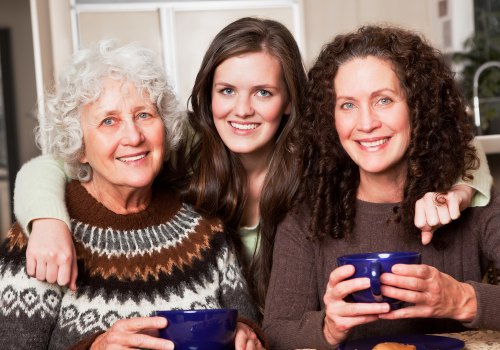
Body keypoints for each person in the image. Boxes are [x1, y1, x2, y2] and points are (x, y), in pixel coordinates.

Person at [13, 18, 491, 313]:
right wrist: (47, 220)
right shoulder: (182, 153)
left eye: (262, 92)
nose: (241, 110)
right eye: (227, 91)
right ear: (208, 95)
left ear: (288, 102)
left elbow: (454, 156)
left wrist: (461, 191)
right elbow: (53, 163)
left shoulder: (322, 158)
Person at [0, 40, 263, 350]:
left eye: (144, 115)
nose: (134, 136)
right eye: (108, 121)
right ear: (79, 146)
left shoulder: (206, 230)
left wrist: (248, 336)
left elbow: (246, 324)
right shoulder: (43, 241)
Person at [263, 25, 500, 350]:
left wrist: (462, 300)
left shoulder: (472, 203)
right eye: (348, 105)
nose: (365, 123)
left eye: (384, 100)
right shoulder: (307, 218)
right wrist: (328, 328)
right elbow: (276, 331)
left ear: (419, 108)